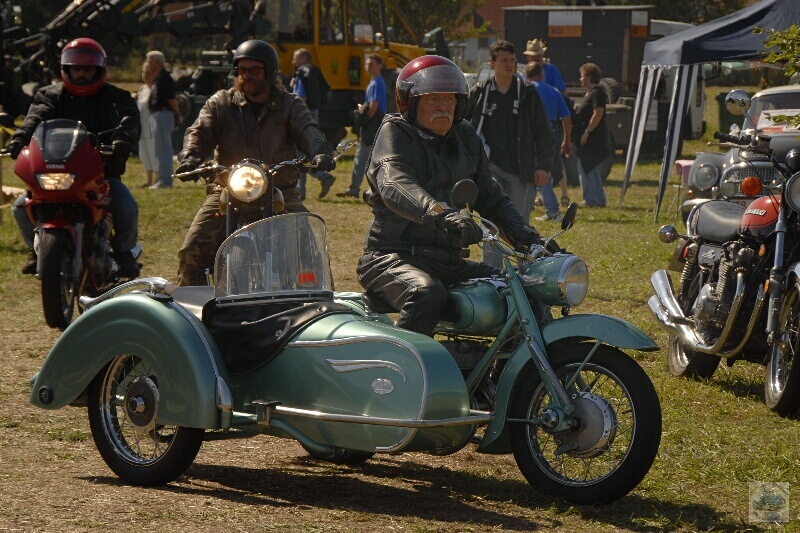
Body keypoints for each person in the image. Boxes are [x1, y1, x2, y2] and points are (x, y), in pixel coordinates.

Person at [357, 55, 546, 336]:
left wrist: (532, 241)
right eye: (434, 99)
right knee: (426, 293)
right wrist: (439, 214)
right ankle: (403, 363)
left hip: (449, 262)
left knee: (521, 290)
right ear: (411, 102)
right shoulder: (395, 132)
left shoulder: (465, 137)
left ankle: (506, 363)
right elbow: (394, 181)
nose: (443, 106)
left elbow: (492, 198)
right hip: (392, 257)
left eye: (450, 99)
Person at [175, 40, 335, 286]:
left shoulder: (289, 105)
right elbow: (199, 131)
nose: (246, 75)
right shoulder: (221, 103)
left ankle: (320, 300)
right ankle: (190, 305)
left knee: (309, 249)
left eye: (254, 70)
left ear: (269, 72)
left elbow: (308, 129)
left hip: (279, 190)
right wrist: (190, 156)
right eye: (241, 70)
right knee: (192, 250)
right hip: (228, 190)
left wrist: (319, 151)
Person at [8, 38, 141, 278]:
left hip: (99, 175)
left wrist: (123, 139)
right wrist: (19, 138)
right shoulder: (49, 95)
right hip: (55, 171)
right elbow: (34, 119)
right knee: (20, 207)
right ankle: (36, 251)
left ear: (98, 70)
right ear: (66, 70)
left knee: (125, 206)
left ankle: (124, 253)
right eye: (76, 68)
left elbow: (129, 120)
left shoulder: (116, 97)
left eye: (87, 69)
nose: (81, 74)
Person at [464, 40, 554, 269]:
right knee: (491, 226)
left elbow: (544, 131)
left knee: (519, 226)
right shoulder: (480, 93)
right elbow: (463, 129)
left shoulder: (527, 93)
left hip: (521, 171)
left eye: (512, 60)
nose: (509, 65)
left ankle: (525, 274)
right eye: (504, 60)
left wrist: (543, 166)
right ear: (492, 63)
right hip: (489, 171)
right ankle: (493, 274)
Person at [525, 61, 572, 222]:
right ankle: (534, 206)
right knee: (543, 170)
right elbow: (566, 118)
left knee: (534, 171)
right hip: (552, 132)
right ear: (542, 74)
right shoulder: (554, 91)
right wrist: (567, 140)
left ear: (527, 75)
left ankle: (552, 210)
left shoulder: (526, 89)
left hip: (531, 131)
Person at [337, 53, 387, 199]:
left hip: (372, 125)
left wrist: (364, 121)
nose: (368, 67)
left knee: (362, 157)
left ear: (379, 66)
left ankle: (354, 189)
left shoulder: (376, 83)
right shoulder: (375, 82)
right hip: (376, 125)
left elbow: (373, 107)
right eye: (367, 64)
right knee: (374, 160)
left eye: (372, 64)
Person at [291, 48, 336, 199]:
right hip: (314, 113)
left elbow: (300, 98)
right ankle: (302, 190)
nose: (293, 61)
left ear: (304, 57)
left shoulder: (301, 73)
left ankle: (320, 178)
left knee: (298, 153)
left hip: (302, 114)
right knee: (304, 152)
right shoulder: (315, 71)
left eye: (295, 57)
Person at [575, 62, 610, 208]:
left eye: (582, 76)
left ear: (589, 77)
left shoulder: (597, 93)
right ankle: (599, 199)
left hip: (592, 137)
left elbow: (598, 113)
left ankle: (590, 200)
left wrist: (587, 132)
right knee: (591, 168)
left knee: (585, 166)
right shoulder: (590, 93)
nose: (580, 79)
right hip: (590, 136)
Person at [145, 51, 181, 189]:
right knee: (158, 148)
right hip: (157, 114)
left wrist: (177, 113)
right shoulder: (158, 78)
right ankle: (161, 178)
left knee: (163, 149)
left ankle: (165, 181)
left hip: (163, 114)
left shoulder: (165, 78)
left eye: (150, 60)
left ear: (157, 62)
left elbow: (171, 99)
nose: (147, 63)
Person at [136, 61, 157, 187]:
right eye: (144, 72)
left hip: (152, 126)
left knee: (153, 153)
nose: (145, 75)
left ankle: (157, 179)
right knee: (144, 154)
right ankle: (148, 180)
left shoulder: (155, 89)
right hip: (142, 126)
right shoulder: (142, 89)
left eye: (148, 72)